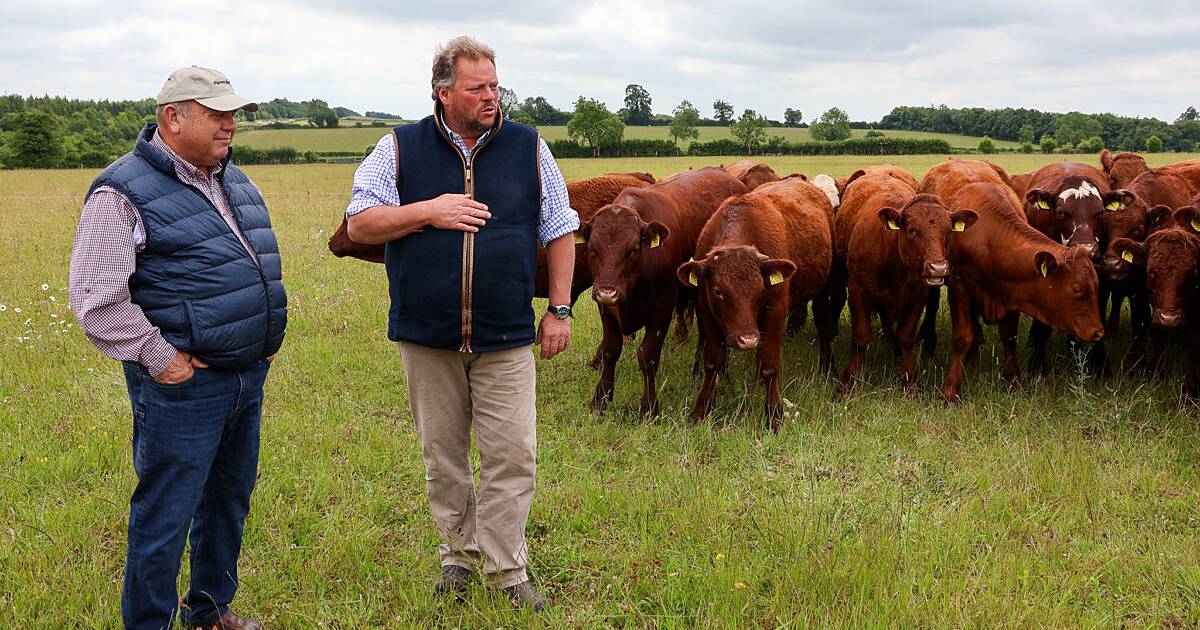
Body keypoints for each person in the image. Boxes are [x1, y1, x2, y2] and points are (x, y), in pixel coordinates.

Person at [344, 36, 576, 611]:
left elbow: (561, 226)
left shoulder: (528, 146)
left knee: (512, 455)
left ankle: (507, 569)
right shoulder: (398, 147)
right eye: (478, 88)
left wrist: (560, 309)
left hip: (506, 336)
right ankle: (457, 556)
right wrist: (429, 210)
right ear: (444, 94)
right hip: (428, 336)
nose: (491, 96)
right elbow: (360, 223)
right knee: (444, 457)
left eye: (495, 85)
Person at [69, 66, 287, 630]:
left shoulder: (232, 180)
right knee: (165, 513)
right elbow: (97, 300)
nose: (230, 125)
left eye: (234, 115)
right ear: (174, 116)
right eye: (217, 114)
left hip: (243, 379)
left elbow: (251, 266)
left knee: (227, 503)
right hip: (182, 387)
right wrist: (159, 357)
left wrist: (261, 340)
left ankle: (210, 612)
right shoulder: (121, 191)